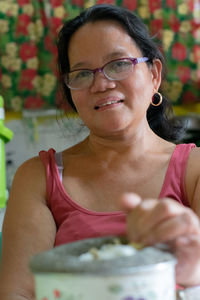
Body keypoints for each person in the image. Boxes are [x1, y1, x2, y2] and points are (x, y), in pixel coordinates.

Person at [0, 4, 200, 300]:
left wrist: (189, 269)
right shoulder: (39, 178)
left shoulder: (195, 169)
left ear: (154, 74)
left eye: (119, 63)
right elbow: (18, 293)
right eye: (82, 73)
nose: (101, 83)